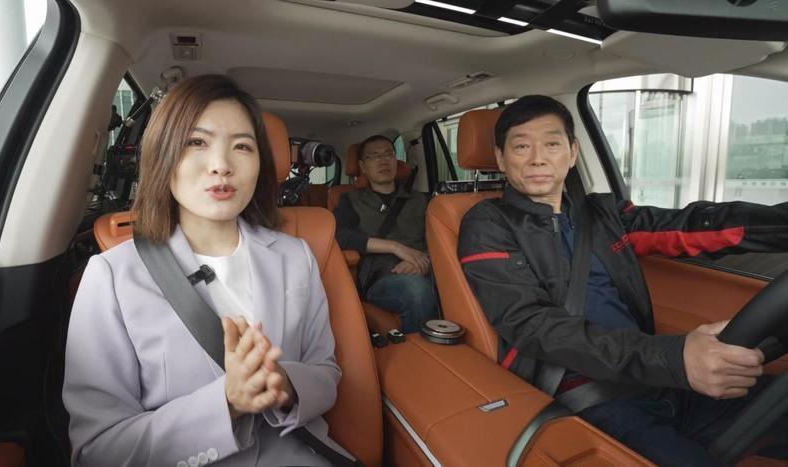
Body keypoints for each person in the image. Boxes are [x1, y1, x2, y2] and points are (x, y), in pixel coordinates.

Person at [458, 95, 788, 466]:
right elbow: (533, 325)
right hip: (589, 396)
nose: (538, 158)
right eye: (521, 146)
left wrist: (779, 226)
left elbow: (691, 226)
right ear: (501, 158)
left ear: (572, 152)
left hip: (656, 375)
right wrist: (672, 357)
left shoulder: (602, 213)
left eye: (552, 144)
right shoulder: (487, 224)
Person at [63, 75, 345, 467]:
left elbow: (326, 371)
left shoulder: (296, 256)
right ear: (163, 155)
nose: (221, 166)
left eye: (242, 146)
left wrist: (286, 384)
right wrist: (227, 402)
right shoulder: (112, 276)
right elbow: (98, 450)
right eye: (196, 142)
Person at [333, 135, 438, 333]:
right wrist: (395, 247)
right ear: (363, 166)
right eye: (374, 156)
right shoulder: (350, 200)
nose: (383, 161)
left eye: (388, 154)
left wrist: (424, 261)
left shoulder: (421, 200)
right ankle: (419, 351)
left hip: (427, 267)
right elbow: (341, 236)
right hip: (381, 277)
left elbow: (440, 240)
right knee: (416, 290)